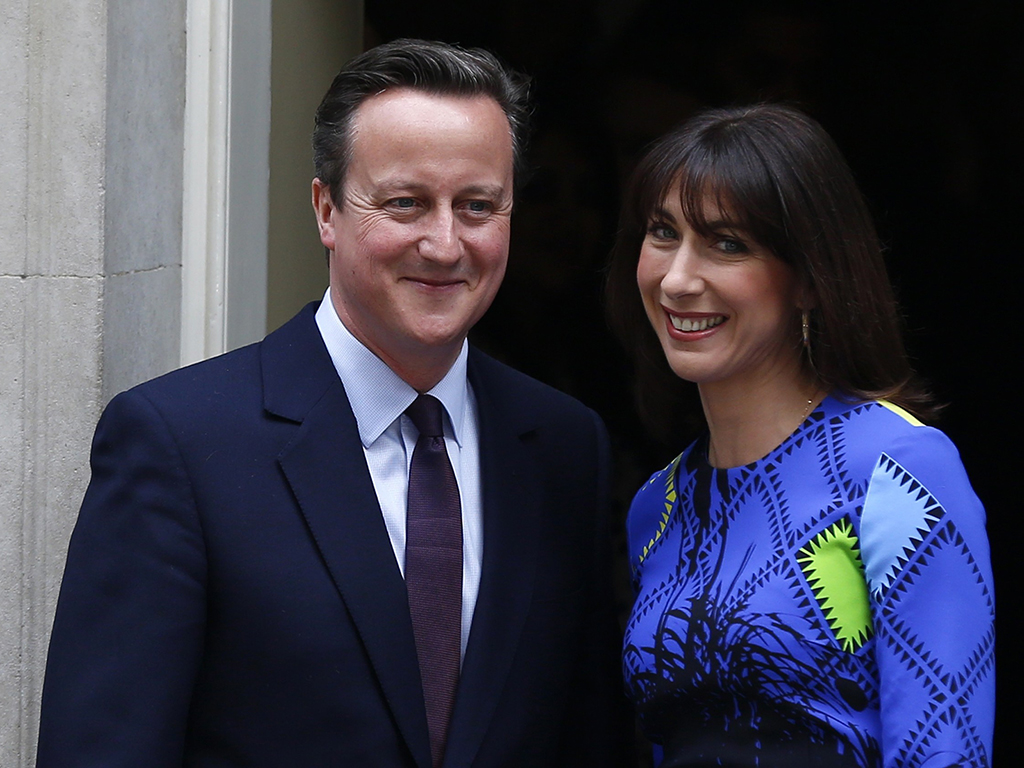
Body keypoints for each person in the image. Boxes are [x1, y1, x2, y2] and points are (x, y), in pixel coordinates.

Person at [37, 39, 631, 768]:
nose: (445, 244)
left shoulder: (564, 447)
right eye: (406, 203)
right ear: (326, 210)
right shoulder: (180, 445)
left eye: (477, 206)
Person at [607, 104, 994, 767]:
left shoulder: (898, 470)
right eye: (663, 233)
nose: (677, 278)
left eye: (727, 242)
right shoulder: (657, 505)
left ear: (811, 279)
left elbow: (946, 750)